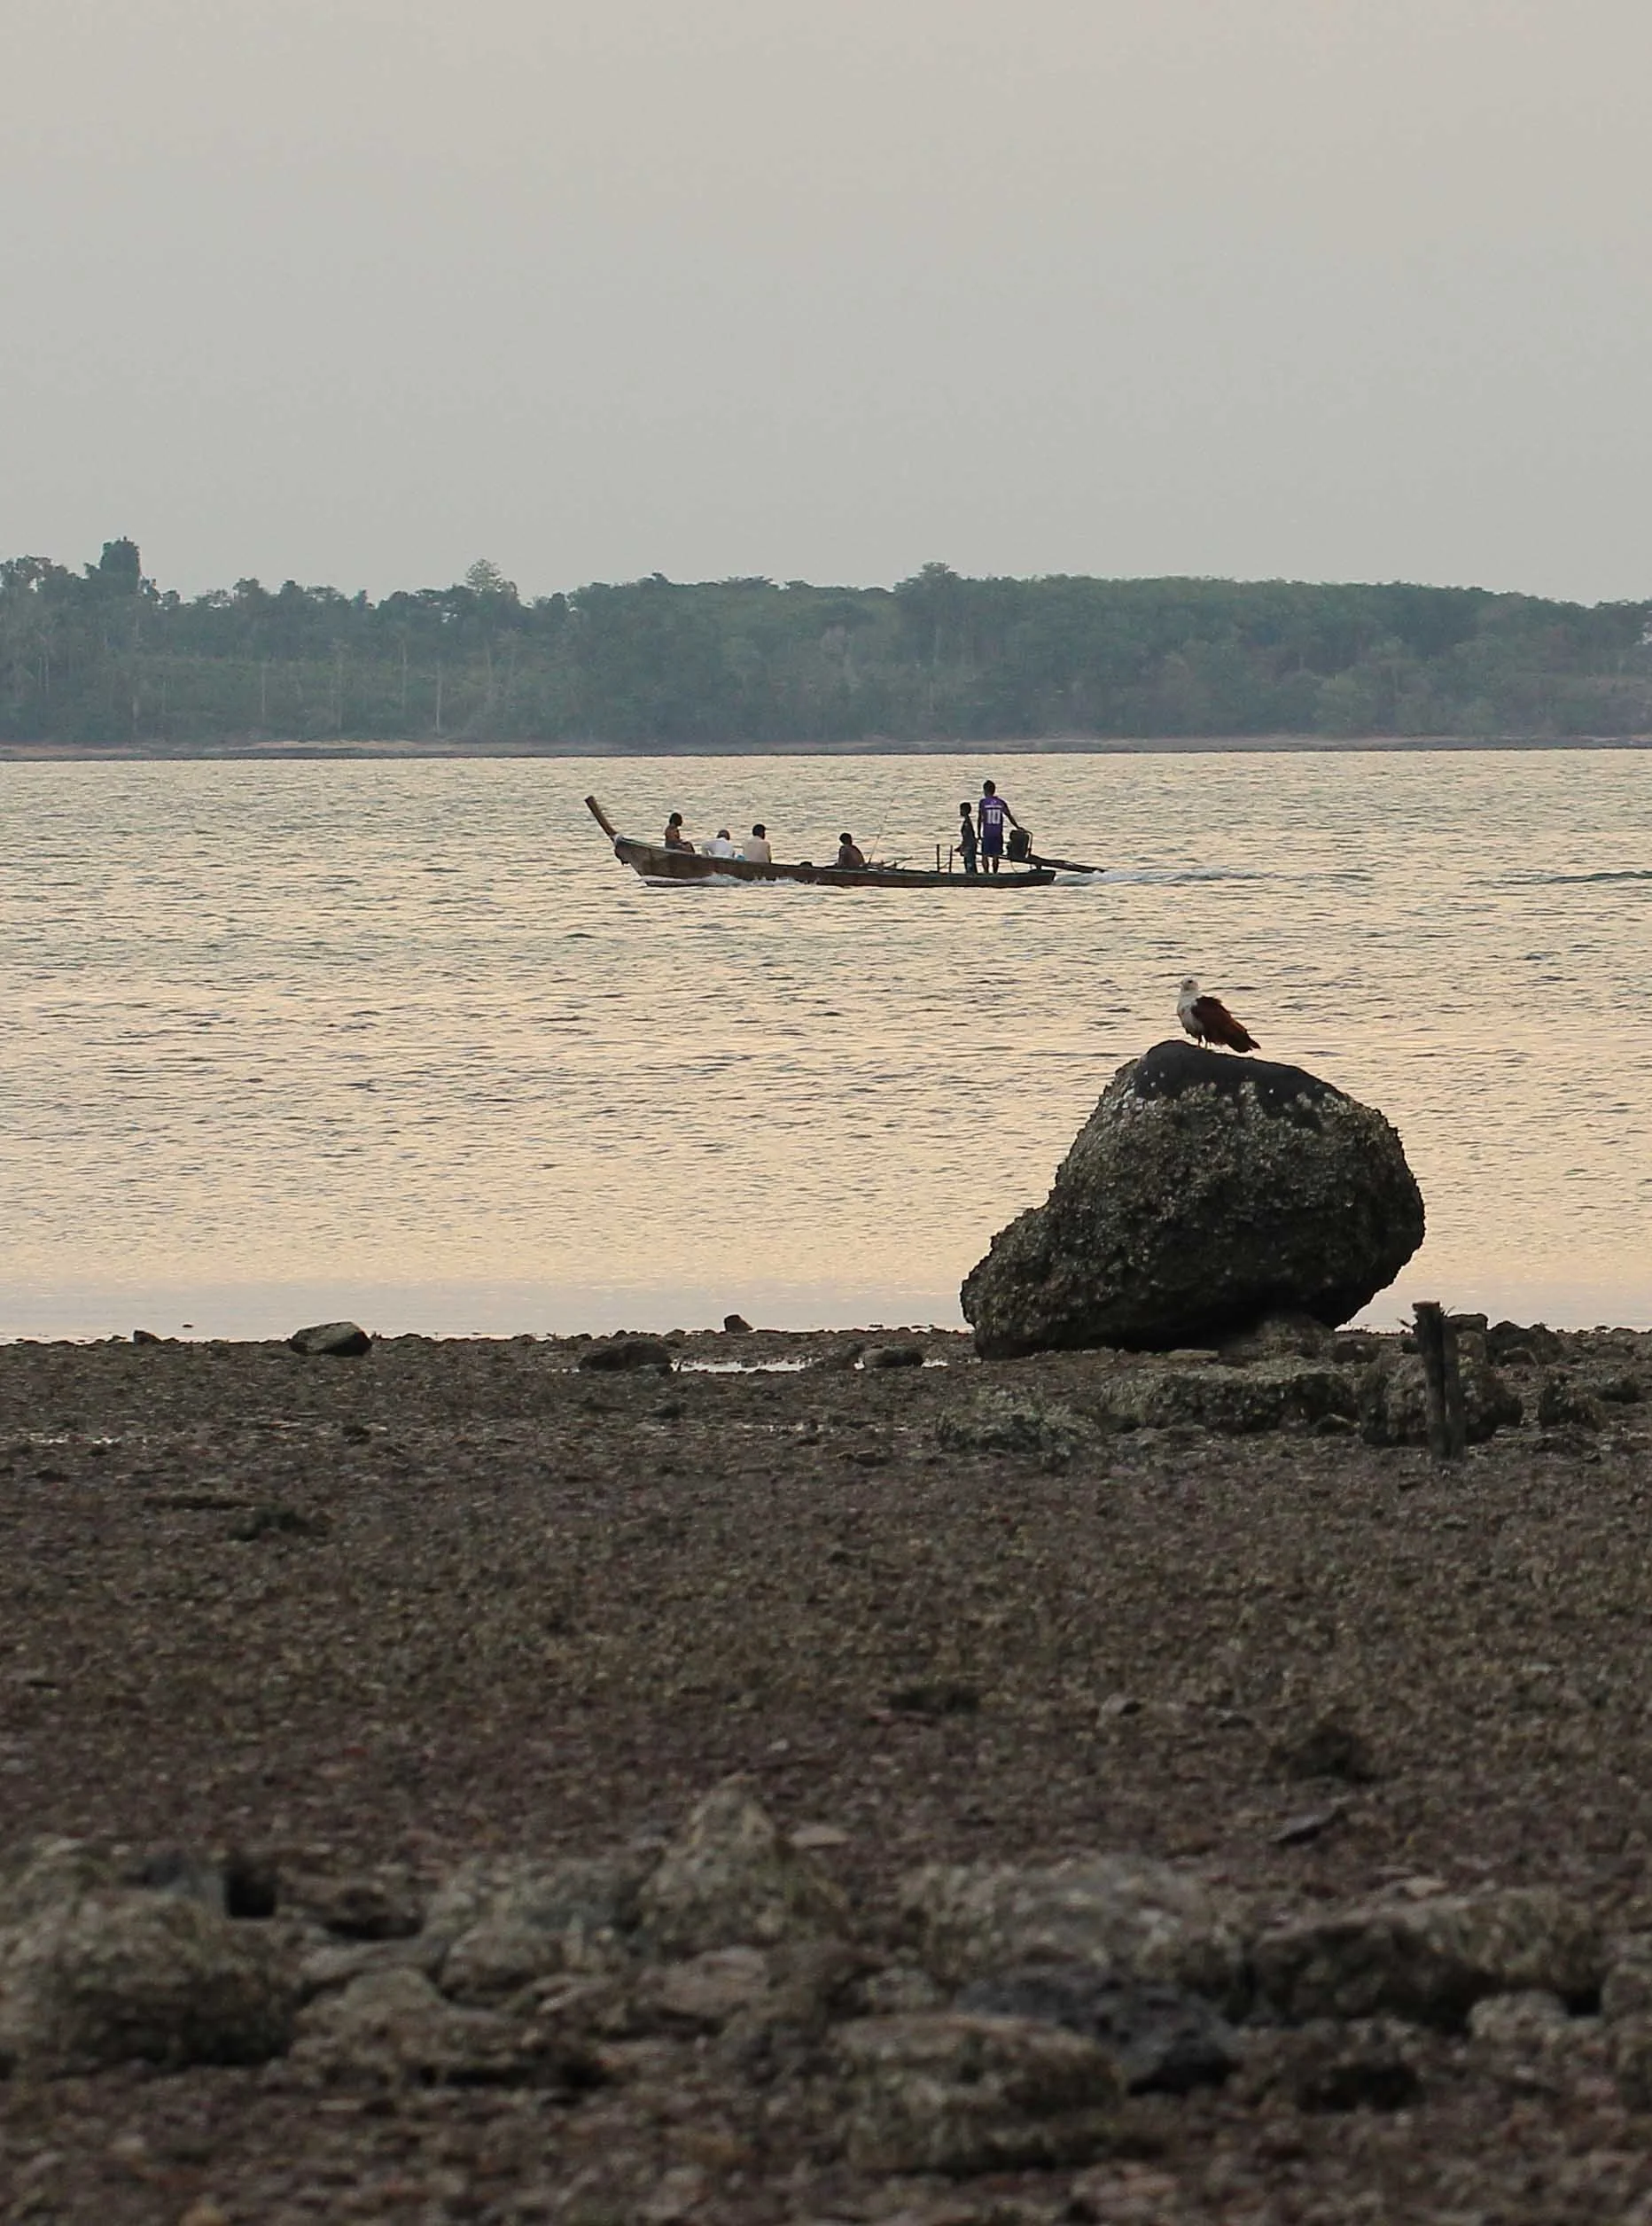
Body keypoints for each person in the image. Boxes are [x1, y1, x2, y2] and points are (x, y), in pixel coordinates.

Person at [977, 779, 1021, 873]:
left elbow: (980, 818)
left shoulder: (983, 802)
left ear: (985, 790)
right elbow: (1009, 815)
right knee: (996, 855)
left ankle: (986, 873)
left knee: (985, 854)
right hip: (997, 833)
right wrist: (1017, 827)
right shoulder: (1001, 802)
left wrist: (978, 833)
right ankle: (995, 872)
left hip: (987, 833)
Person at [956, 801, 978, 875]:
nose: (960, 812)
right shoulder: (967, 821)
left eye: (961, 810)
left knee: (970, 863)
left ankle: (972, 876)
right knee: (970, 863)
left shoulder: (967, 823)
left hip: (970, 845)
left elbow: (967, 836)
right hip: (970, 844)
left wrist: (963, 846)